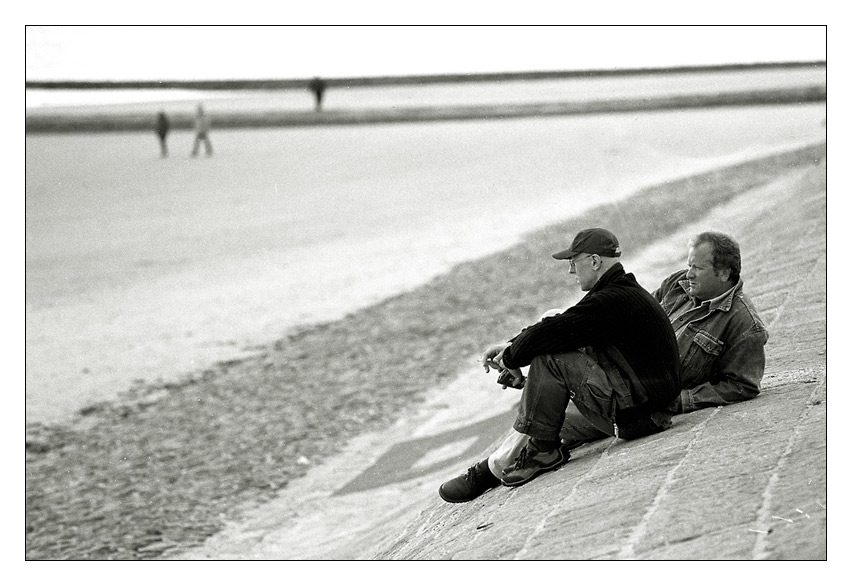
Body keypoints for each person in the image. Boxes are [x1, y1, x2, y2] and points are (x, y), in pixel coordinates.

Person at [439, 228, 682, 503]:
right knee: (553, 333)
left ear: (594, 261)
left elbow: (553, 335)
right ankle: (508, 459)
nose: (570, 271)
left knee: (549, 356)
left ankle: (539, 452)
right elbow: (560, 323)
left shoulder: (612, 300)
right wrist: (512, 346)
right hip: (640, 405)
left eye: (572, 262)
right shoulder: (618, 291)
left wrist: (510, 358)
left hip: (639, 415)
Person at [557, 231, 769, 449]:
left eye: (697, 268)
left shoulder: (744, 324)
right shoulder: (677, 284)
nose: (689, 274)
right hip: (614, 372)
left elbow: (742, 385)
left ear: (724, 273)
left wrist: (683, 401)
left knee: (546, 412)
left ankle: (537, 456)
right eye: (689, 266)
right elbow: (633, 313)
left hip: (634, 400)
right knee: (555, 324)